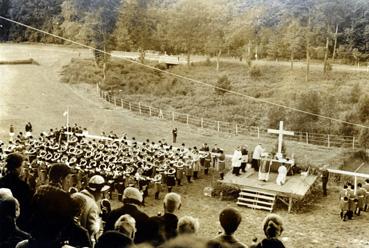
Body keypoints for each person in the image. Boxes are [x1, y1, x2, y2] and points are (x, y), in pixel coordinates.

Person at [72, 175, 110, 244]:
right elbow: (93, 229)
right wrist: (99, 221)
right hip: (81, 241)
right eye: (102, 192)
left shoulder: (74, 196)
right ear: (97, 192)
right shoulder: (92, 205)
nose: (102, 195)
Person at [0, 153, 33, 231]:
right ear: (17, 168)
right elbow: (27, 208)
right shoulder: (23, 186)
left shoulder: (1, 182)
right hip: (19, 224)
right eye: (22, 166)